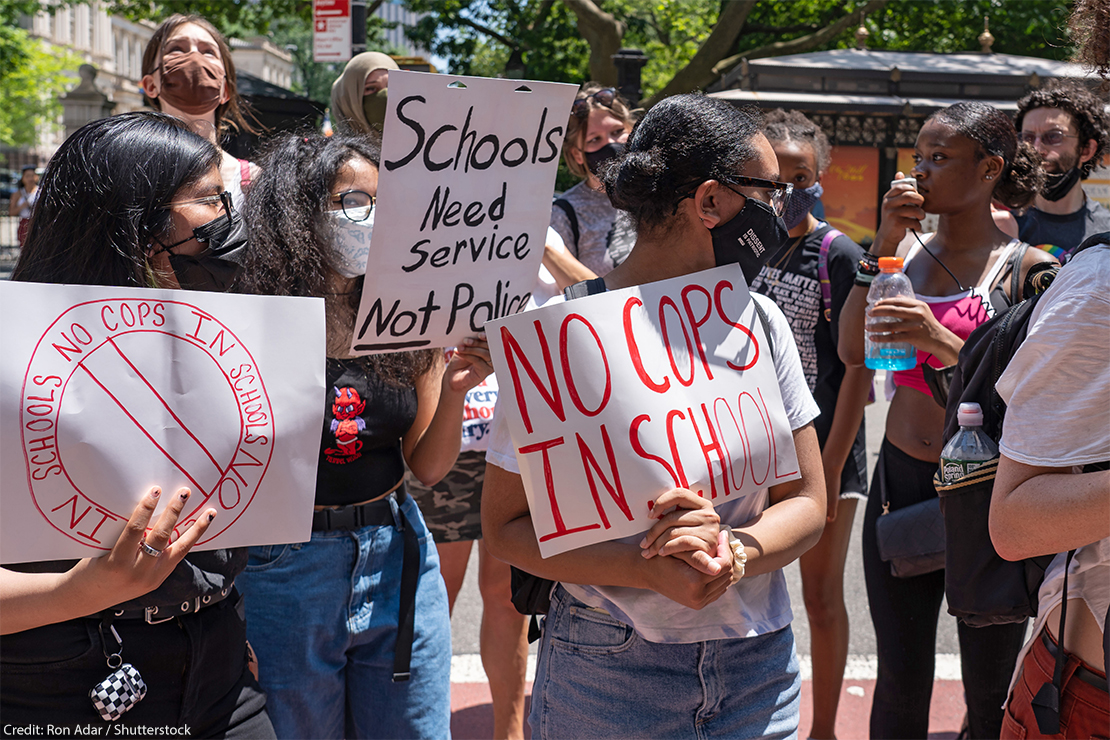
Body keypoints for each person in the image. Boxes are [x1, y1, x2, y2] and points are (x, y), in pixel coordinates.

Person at [483, 94, 827, 740]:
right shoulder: (559, 338)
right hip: (604, 674)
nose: (780, 210)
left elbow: (809, 500)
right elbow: (505, 529)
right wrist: (643, 568)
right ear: (709, 202)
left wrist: (735, 552)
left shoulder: (762, 321)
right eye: (768, 192)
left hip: (758, 668)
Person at [2, 111, 273, 737]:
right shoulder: (9, 358)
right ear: (139, 224)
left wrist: (213, 614)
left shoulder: (219, 339)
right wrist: (76, 591)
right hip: (55, 687)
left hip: (220, 675)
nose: (232, 219)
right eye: (212, 200)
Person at [234, 132, 493, 740]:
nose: (372, 220)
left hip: (397, 554)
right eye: (353, 203)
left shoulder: (406, 312)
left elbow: (426, 468)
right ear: (298, 213)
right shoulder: (248, 316)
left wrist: (455, 389)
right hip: (281, 571)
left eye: (385, 204)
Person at [838, 101, 1057, 740]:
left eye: (941, 158)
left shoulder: (1030, 271)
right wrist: (880, 245)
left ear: (989, 169)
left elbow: (1037, 397)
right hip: (901, 481)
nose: (921, 174)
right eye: (918, 158)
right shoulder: (900, 261)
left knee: (990, 688)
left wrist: (941, 339)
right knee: (900, 680)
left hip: (988, 495)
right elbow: (854, 352)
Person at [749, 109, 873, 740]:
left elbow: (857, 373)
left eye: (802, 175)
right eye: (777, 177)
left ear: (820, 175)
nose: (789, 189)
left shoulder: (839, 253)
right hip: (756, 453)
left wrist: (825, 473)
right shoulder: (752, 247)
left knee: (821, 599)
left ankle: (822, 730)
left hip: (826, 454)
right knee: (757, 592)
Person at [141, 14, 261, 211]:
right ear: (150, 85)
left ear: (225, 90)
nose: (194, 57)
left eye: (208, 52)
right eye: (177, 49)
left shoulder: (254, 182)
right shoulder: (131, 176)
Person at [1013, 79, 1110, 260]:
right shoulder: (1001, 227)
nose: (1037, 148)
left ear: (1086, 150)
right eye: (1027, 137)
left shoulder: (1106, 233)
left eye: (1053, 136)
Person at [548, 82, 638, 277]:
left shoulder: (661, 191)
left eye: (617, 132)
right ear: (577, 154)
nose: (611, 144)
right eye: (594, 140)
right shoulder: (564, 214)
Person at [329, 51, 399, 135]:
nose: (386, 95)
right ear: (349, 98)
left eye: (391, 87)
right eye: (371, 88)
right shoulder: (334, 148)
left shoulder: (413, 144)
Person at [8, 165, 38, 246]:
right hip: (24, 224)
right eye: (27, 176)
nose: (30, 179)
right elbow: (11, 212)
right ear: (23, 178)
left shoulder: (41, 192)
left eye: (32, 176)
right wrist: (22, 206)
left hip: (38, 223)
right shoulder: (17, 194)